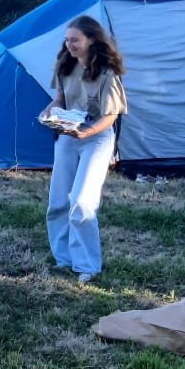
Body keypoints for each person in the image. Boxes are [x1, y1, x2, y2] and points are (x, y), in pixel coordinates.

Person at [40, 15, 127, 282]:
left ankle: (87, 264)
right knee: (57, 201)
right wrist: (47, 114)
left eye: (75, 40)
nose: (70, 45)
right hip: (68, 134)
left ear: (91, 40)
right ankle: (63, 258)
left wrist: (87, 131)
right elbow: (59, 100)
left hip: (96, 136)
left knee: (81, 201)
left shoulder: (106, 73)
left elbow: (110, 116)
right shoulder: (65, 65)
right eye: (67, 40)